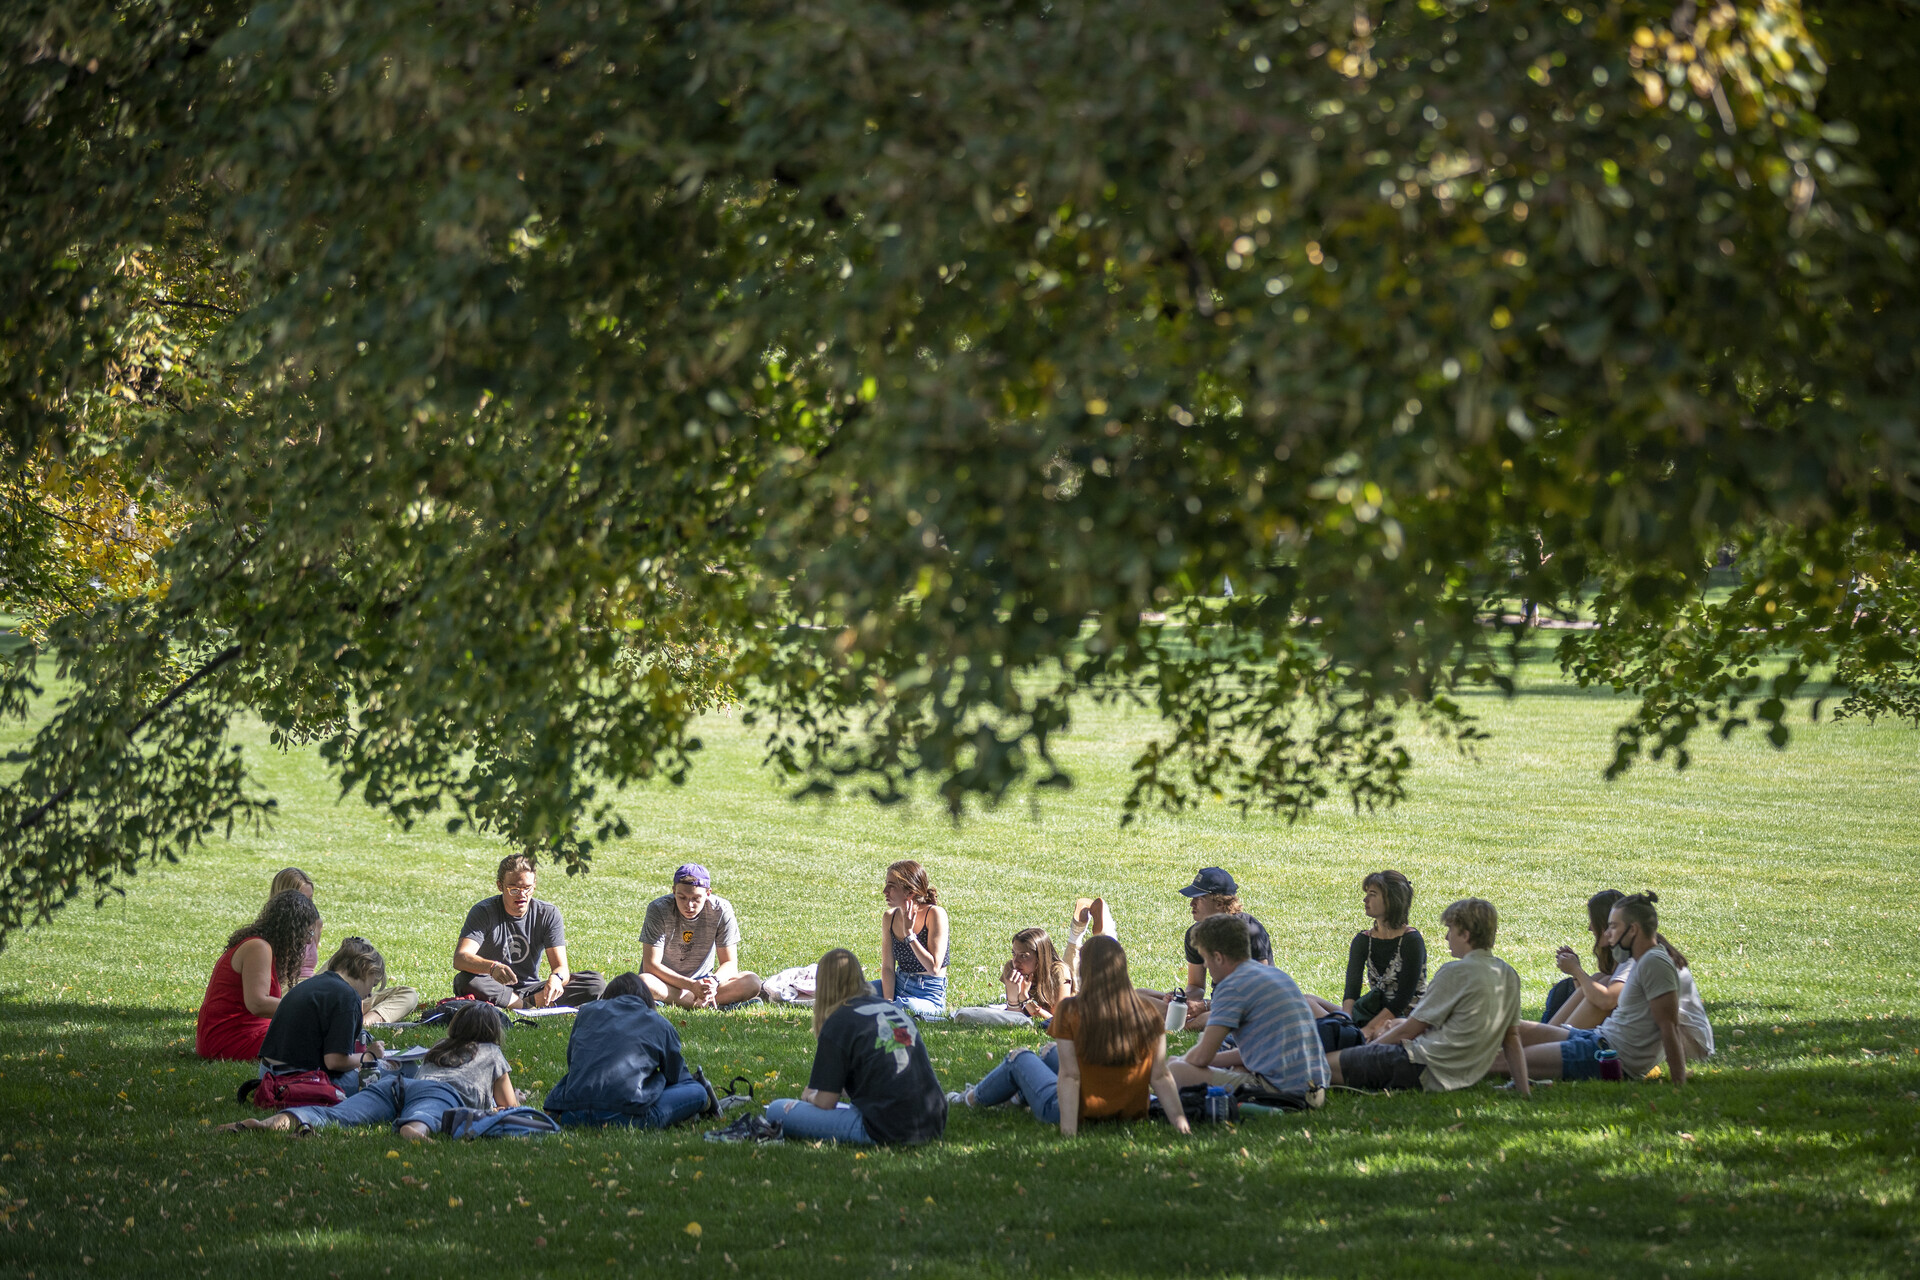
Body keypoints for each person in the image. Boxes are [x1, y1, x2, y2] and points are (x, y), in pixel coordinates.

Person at [951, 936, 1190, 1136]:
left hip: (1078, 1111)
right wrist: (1182, 1126)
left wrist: (1069, 1132)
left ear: (1084, 969)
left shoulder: (1072, 1010)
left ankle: (969, 1099)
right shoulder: (1147, 1012)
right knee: (1049, 1051)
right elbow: (1160, 1076)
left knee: (1019, 1057)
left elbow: (1070, 1076)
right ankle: (1015, 1097)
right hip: (1129, 1111)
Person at [1498, 892, 1714, 1086]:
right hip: (1596, 1039)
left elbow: (1669, 1027)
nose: (1607, 934)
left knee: (1505, 1060)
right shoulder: (1644, 960)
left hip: (1604, 1054)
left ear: (1633, 930)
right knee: (1510, 1029)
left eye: (1613, 926)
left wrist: (1679, 1083)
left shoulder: (1654, 963)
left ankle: (1466, 1067)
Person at [222, 1004, 518, 1140]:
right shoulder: (492, 1052)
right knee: (424, 1119)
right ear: (492, 1032)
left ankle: (270, 1123)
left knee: (333, 1116)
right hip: (440, 1095)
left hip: (399, 1086)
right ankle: (414, 1134)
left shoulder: (441, 1045)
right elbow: (508, 1106)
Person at [1328, 898, 1528, 1096]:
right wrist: (1523, 1090)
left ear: (1465, 935)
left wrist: (1367, 1050)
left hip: (1420, 1064)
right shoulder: (1508, 974)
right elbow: (1512, 1038)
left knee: (1323, 1063)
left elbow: (1409, 1030)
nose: (1446, 937)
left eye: (1450, 929)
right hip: (1459, 1076)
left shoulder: (1455, 971)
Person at [764, 949, 947, 1145]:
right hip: (933, 1122)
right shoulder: (893, 1010)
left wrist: (811, 1096)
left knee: (777, 1109)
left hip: (886, 1129)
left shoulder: (838, 1021)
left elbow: (826, 1103)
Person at [1167, 914, 1328, 1106]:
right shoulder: (1277, 975)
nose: (1205, 965)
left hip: (1284, 1092)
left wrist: (1182, 1061)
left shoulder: (1233, 986)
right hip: (1315, 1090)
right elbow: (1254, 1052)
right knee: (1231, 1067)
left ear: (1218, 957)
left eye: (1205, 958)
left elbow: (1202, 1056)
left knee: (1174, 1070)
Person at [543, 972, 715, 1129]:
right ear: (647, 1000)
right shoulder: (658, 1023)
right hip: (626, 1116)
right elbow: (677, 1077)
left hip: (573, 1114)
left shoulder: (586, 1013)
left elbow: (573, 1062)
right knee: (698, 1091)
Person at [452, 854, 605, 1009]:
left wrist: (557, 978)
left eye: (527, 888)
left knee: (594, 982)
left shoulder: (547, 913)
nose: (522, 895)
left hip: (531, 990)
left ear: (535, 885)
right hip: (492, 985)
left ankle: (523, 1004)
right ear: (500, 886)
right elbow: (460, 958)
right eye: (514, 889)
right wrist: (492, 968)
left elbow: (561, 968)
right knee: (464, 980)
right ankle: (526, 1007)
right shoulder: (483, 911)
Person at [197, 890, 322, 1061]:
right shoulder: (258, 948)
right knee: (316, 1043)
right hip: (230, 1038)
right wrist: (308, 1009)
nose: (309, 941)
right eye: (308, 933)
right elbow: (257, 1003)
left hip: (248, 1032)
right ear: (292, 928)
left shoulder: (264, 947)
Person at [256, 939, 389, 1093]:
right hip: (300, 1080)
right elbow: (335, 1061)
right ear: (366, 969)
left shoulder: (314, 984)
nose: (369, 994)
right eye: (373, 984)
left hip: (267, 1074)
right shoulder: (348, 997)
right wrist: (369, 1056)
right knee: (393, 1072)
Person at [1305, 870, 1427, 1036]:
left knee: (1380, 1032)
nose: (1365, 900)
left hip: (1404, 1019)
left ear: (1391, 900)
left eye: (1372, 894)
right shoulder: (1363, 940)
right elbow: (1351, 990)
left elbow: (1402, 999)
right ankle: (1345, 1034)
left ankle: (1347, 1037)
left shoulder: (1411, 941)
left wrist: (1369, 1029)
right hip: (1372, 1012)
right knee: (1305, 1001)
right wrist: (1346, 1021)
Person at [638, 864, 763, 1009]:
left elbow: (729, 963)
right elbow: (651, 966)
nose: (689, 905)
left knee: (752, 982)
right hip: (666, 983)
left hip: (705, 984)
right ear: (673, 891)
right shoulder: (658, 909)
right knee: (644, 982)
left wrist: (713, 982)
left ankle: (689, 1002)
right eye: (682, 897)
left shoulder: (721, 909)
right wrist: (691, 985)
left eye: (696, 898)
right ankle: (710, 1005)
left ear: (708, 893)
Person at [1540, 889, 1627, 1028]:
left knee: (1601, 979)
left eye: (1593, 922)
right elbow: (1588, 1000)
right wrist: (1576, 974)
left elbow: (1605, 1001)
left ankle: (1550, 1036)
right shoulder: (1618, 959)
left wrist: (1576, 970)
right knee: (1599, 977)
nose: (1589, 928)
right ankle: (1548, 1034)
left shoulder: (1631, 961)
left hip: (1615, 1036)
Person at [875, 860, 949, 1019]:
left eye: (891, 886)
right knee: (853, 993)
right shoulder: (890, 917)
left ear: (910, 892)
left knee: (905, 1006)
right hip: (899, 984)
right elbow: (888, 967)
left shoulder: (935, 914)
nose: (885, 891)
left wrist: (909, 935)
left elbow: (934, 968)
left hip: (928, 994)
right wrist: (887, 1001)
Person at [954, 927, 1073, 1026]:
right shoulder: (1011, 968)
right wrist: (1013, 998)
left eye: (1024, 956)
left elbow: (1058, 1022)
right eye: (1014, 954)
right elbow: (1014, 1018)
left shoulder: (1058, 972)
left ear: (1040, 957)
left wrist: (1025, 999)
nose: (1016, 961)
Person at [269, 867, 320, 980]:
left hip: (311, 983)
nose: (308, 905)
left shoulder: (315, 923)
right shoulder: (272, 927)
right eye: (301, 899)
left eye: (310, 899)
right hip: (287, 986)